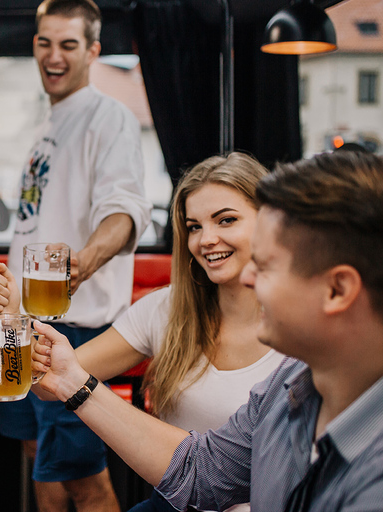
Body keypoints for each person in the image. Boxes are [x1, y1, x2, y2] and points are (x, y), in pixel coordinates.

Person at [32, 150, 383, 511]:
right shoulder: (284, 387)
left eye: (268, 267)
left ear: (337, 290)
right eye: (194, 226)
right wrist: (70, 379)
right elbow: (203, 472)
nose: (249, 278)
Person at [0, 0, 152, 510]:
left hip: (73, 329)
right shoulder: (47, 126)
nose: (54, 56)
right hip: (22, 322)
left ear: (93, 51)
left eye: (68, 44)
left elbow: (125, 211)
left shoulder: (110, 119)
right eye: (45, 43)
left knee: (83, 476)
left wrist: (84, 261)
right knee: (37, 450)